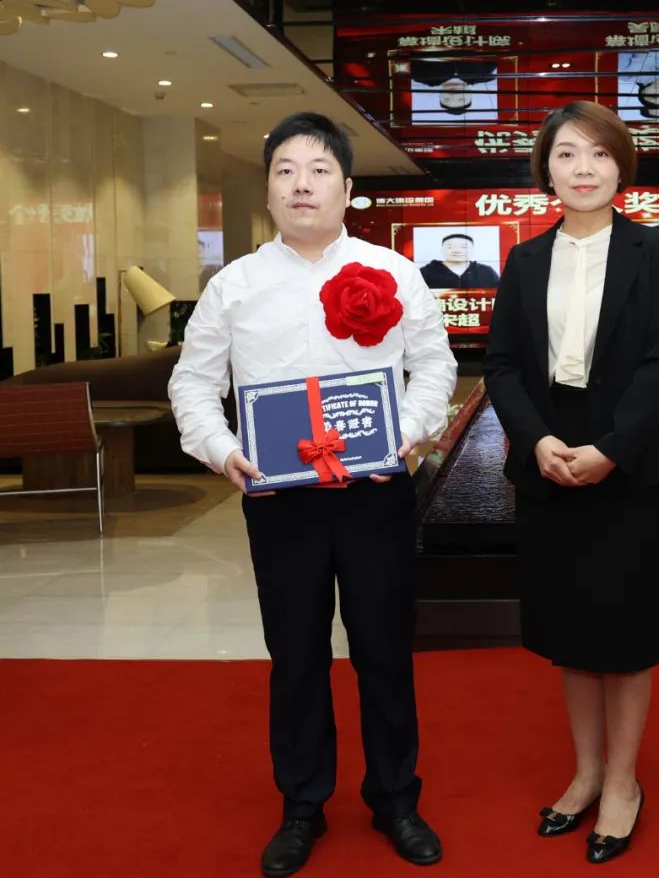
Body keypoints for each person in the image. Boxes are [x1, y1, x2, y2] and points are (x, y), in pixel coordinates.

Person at [168, 112, 456, 877]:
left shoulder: (393, 273)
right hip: (281, 502)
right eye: (286, 170)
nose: (303, 184)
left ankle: (395, 798)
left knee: (384, 650)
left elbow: (435, 366)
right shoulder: (234, 286)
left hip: (375, 492)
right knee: (295, 655)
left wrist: (409, 434)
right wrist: (223, 450)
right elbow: (192, 384)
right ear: (268, 189)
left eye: (320, 169)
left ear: (347, 188)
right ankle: (302, 805)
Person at [482, 101, 659, 865]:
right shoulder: (525, 260)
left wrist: (611, 448)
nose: (583, 168)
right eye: (567, 153)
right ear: (547, 169)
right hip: (549, 460)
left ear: (621, 165)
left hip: (625, 465)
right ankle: (587, 772)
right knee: (570, 634)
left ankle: (624, 783)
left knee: (625, 637)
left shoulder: (655, 251)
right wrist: (535, 439)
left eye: (599, 153)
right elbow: (502, 364)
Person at [419, 233, 500, 288]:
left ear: (473, 250)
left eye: (464, 247)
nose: (457, 250)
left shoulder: (486, 271)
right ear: (442, 250)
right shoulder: (425, 272)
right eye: (450, 247)